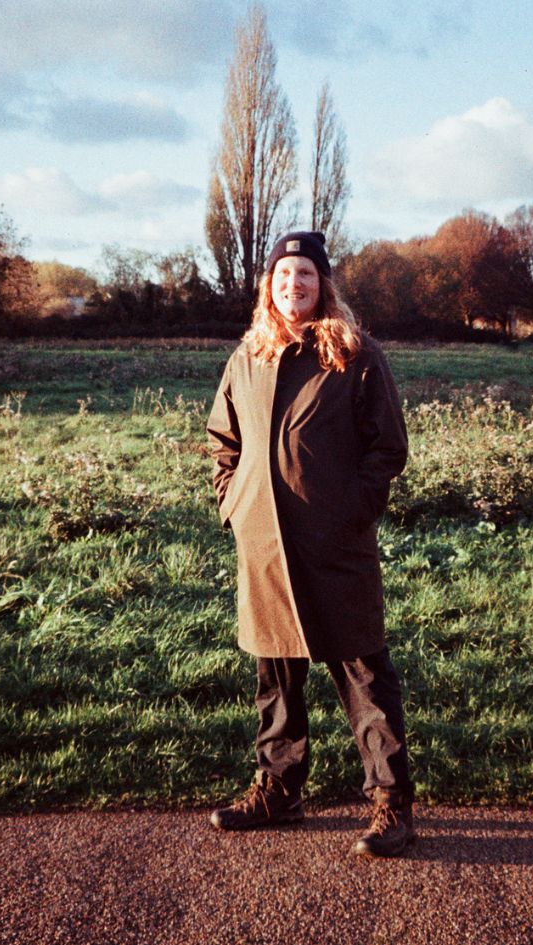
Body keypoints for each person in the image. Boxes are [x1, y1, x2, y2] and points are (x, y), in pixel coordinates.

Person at [205, 230, 415, 858]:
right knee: (275, 675)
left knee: (363, 674)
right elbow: (223, 440)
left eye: (305, 274)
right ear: (267, 287)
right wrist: (235, 505)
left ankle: (391, 802)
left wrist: (353, 512)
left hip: (336, 544)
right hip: (265, 545)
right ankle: (279, 789)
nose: (292, 284)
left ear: (324, 285)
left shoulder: (356, 353)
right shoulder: (249, 356)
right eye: (282, 274)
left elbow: (387, 447)